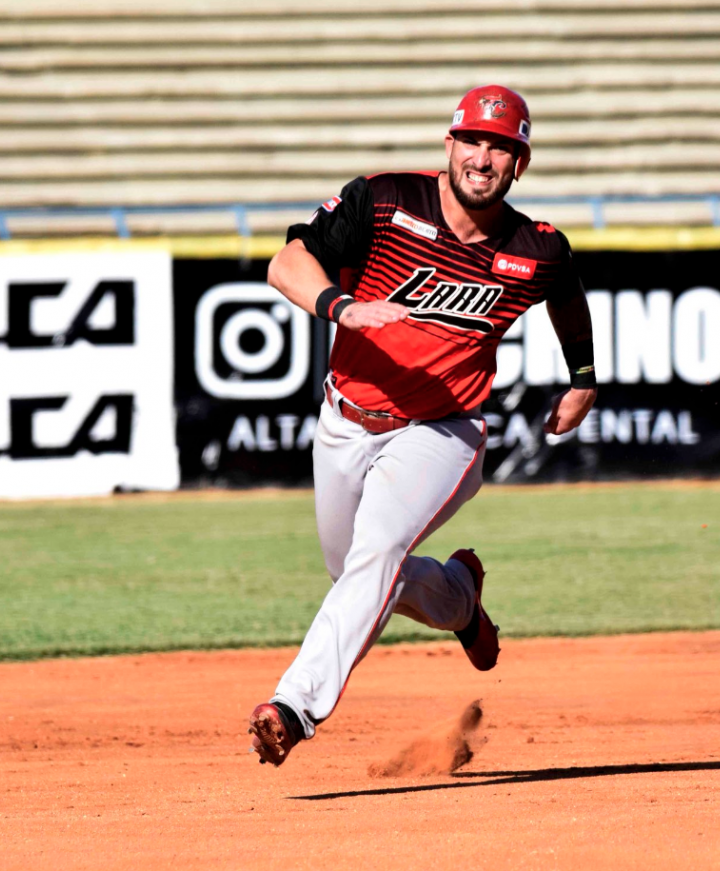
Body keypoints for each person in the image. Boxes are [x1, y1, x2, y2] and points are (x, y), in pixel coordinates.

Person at [248, 85, 597, 766]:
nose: (484, 157)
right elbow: (285, 263)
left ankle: (292, 706)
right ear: (450, 144)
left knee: (374, 553)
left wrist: (583, 378)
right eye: (474, 140)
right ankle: (462, 600)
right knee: (354, 571)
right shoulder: (383, 201)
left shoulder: (535, 248)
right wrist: (339, 305)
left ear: (520, 163)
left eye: (503, 147)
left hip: (445, 430)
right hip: (346, 419)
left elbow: (566, 293)